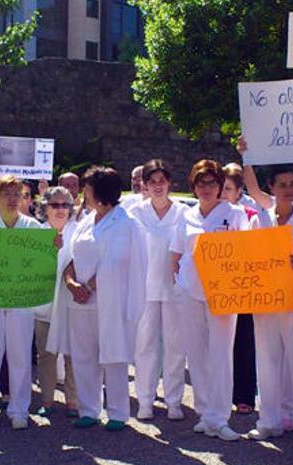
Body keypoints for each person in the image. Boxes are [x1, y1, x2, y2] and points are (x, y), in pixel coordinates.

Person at [48, 167, 147, 431]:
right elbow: (70, 255)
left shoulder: (125, 222)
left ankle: (117, 412)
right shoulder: (84, 220)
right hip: (80, 303)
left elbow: (115, 262)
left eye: (87, 188)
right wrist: (71, 283)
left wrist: (88, 287)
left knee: (113, 356)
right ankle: (89, 408)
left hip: (109, 301)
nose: (83, 193)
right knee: (83, 356)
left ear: (100, 191)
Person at [170, 159, 250, 441]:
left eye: (212, 183)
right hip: (190, 292)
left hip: (223, 293)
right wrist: (178, 283)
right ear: (193, 187)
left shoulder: (236, 214)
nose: (206, 188)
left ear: (220, 186)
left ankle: (220, 417)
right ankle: (205, 413)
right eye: (201, 183)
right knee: (197, 354)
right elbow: (176, 254)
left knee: (221, 354)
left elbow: (247, 252)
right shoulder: (186, 215)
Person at [246, 167, 293, 448]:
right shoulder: (261, 220)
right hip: (266, 301)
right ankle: (269, 421)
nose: (289, 189)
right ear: (272, 187)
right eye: (283, 184)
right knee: (267, 362)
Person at [0, 176, 44, 430]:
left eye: (18, 194)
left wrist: (54, 247)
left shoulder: (34, 228)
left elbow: (43, 263)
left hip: (21, 299)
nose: (13, 199)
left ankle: (19, 409)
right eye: (7, 194)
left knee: (21, 354)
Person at [127, 160, 189, 421]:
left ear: (169, 183)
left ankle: (174, 401)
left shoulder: (183, 212)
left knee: (175, 347)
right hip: (144, 289)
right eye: (152, 182)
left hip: (176, 290)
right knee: (145, 347)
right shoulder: (135, 212)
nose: (158, 186)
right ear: (145, 185)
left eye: (162, 181)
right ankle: (145, 400)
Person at [33, 186, 79, 418]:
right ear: (45, 208)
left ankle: (73, 401)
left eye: (65, 205)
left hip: (72, 303)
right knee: (46, 354)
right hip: (44, 303)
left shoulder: (80, 231)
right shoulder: (36, 233)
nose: (60, 210)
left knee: (72, 354)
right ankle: (47, 400)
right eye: (55, 205)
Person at [221, 164, 258, 416]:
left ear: (238, 191)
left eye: (227, 189)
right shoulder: (205, 214)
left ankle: (244, 395)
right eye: (219, 188)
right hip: (216, 287)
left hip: (242, 287)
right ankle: (219, 395)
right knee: (218, 344)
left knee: (243, 341)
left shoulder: (250, 214)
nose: (222, 193)